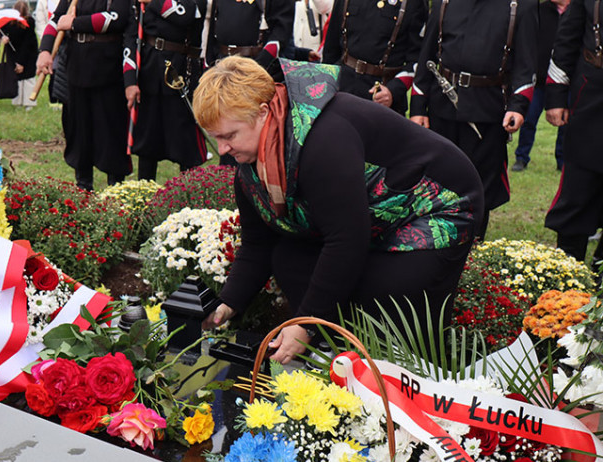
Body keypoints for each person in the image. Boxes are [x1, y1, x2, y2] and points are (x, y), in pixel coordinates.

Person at [195, 57, 483, 364]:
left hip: (437, 207)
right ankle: (336, 357)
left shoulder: (322, 141)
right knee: (289, 259)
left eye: (229, 136)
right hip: (374, 217)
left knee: (385, 289)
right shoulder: (252, 168)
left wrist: (306, 325)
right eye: (216, 138)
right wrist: (227, 304)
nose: (222, 150)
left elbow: (347, 241)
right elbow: (259, 243)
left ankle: (390, 371)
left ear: (263, 114)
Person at [410, 0, 537, 241]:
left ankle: (471, 247)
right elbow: (426, 54)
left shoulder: (522, 5)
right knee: (435, 184)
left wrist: (518, 106)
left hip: (488, 111)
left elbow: (526, 61)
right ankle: (431, 245)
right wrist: (418, 106)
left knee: (479, 190)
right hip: (441, 109)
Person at [36, 0, 132, 191]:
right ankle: (83, 184)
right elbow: (57, 19)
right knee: (78, 127)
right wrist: (45, 50)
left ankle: (115, 186)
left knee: (111, 128)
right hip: (76, 67)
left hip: (108, 69)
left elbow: (116, 18)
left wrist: (74, 24)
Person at [544, 0, 603, 263]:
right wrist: (556, 96)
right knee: (577, 192)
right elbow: (566, 40)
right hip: (591, 103)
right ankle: (569, 277)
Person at [123, 0, 209, 180]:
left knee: (186, 144)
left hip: (182, 70)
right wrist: (130, 80)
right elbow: (131, 35)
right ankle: (145, 197)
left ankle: (188, 199)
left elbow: (187, 14)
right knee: (147, 144)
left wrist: (155, 2)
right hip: (150, 71)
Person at [321, 0, 428, 115]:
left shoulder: (414, 3)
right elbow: (331, 48)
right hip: (342, 91)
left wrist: (393, 90)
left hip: (382, 99)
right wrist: (327, 85)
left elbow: (418, 59)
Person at [512, 0, 570, 172]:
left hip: (564, 80)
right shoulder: (539, 10)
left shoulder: (576, 11)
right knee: (528, 119)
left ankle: (562, 160)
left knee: (565, 123)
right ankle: (521, 157)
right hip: (539, 78)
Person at [204, 0, 295, 69]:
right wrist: (209, 61)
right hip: (221, 62)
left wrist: (262, 62)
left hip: (256, 63)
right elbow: (214, 23)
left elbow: (281, 28)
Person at [2, 1, 39, 110]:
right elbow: (3, 31)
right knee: (17, 78)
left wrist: (21, 62)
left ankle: (29, 102)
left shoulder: (30, 22)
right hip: (13, 52)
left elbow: (27, 44)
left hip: (28, 53)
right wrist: (4, 38)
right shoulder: (9, 22)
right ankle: (17, 101)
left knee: (28, 78)